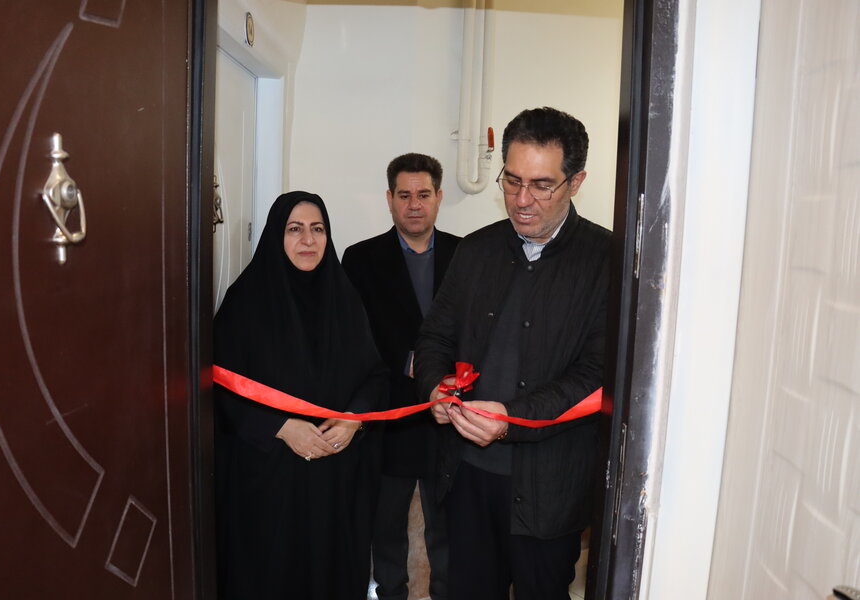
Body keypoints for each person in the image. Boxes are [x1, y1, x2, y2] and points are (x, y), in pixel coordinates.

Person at [414, 108, 610, 600]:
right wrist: (435, 387)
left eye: (542, 185)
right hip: (466, 478)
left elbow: (595, 375)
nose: (522, 200)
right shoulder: (476, 250)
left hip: (550, 488)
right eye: (513, 181)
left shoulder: (605, 261)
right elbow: (434, 338)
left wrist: (511, 419)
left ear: (576, 181)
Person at [213, 191, 387, 600]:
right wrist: (280, 428)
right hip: (269, 483)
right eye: (295, 229)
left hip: (334, 482)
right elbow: (219, 386)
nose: (308, 240)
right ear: (277, 236)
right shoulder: (245, 301)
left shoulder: (344, 298)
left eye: (317, 229)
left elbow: (376, 376)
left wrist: (353, 419)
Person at [342, 153, 461, 600]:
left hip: (449, 415)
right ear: (389, 199)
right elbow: (352, 337)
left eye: (424, 194)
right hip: (389, 417)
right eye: (405, 195)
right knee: (386, 525)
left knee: (447, 527)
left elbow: (479, 328)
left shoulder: (466, 254)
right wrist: (406, 362)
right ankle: (389, 593)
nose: (415, 204)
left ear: (439, 197)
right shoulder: (360, 259)